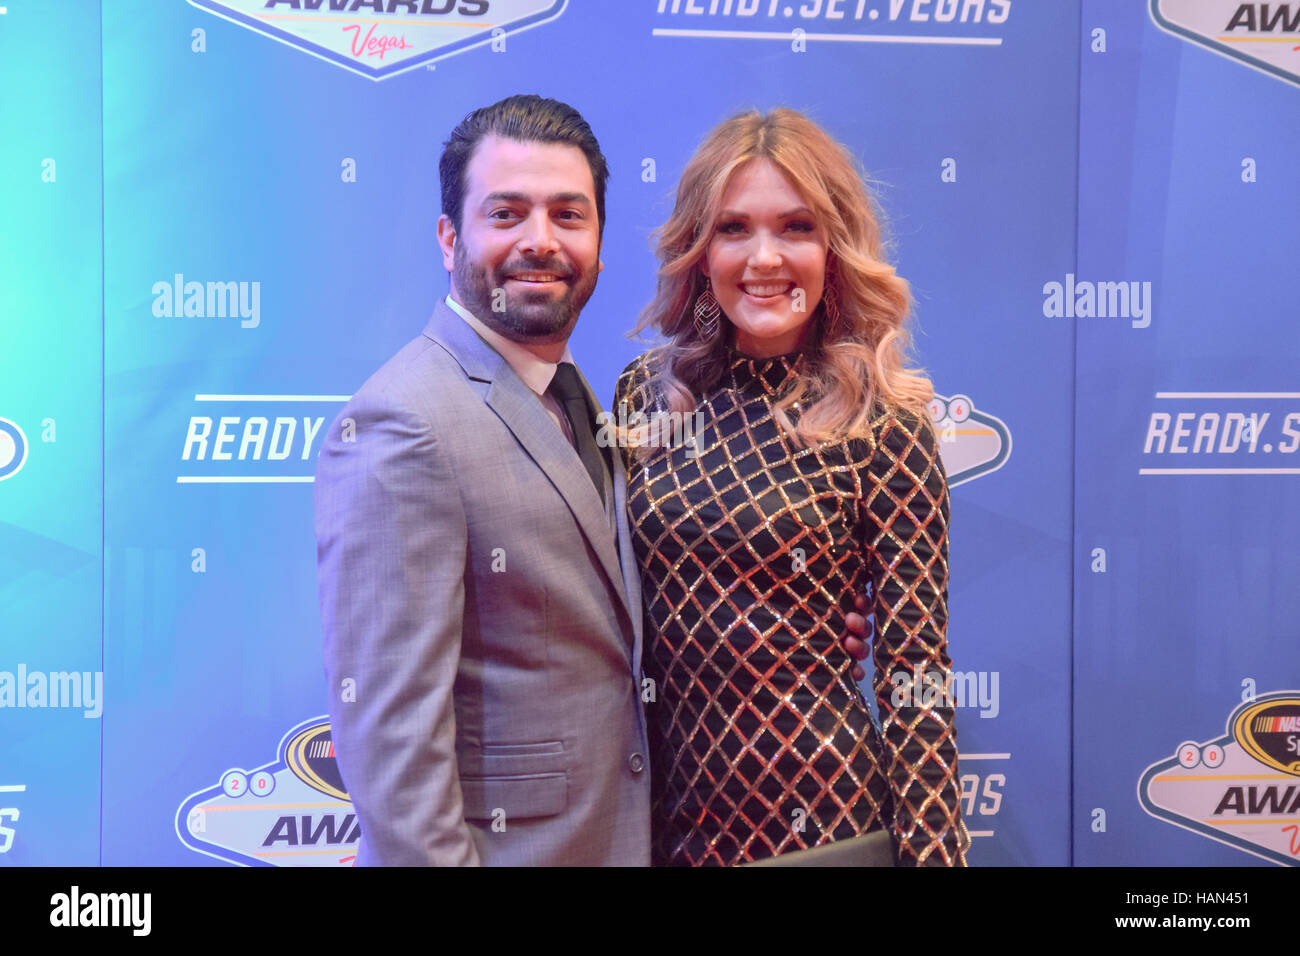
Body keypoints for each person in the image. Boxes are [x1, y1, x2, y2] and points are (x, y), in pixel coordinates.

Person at [315, 94, 875, 866]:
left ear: (600, 246)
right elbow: (391, 744)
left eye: (568, 216)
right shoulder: (403, 422)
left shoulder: (596, 399)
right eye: (506, 214)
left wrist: (796, 606)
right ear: (449, 238)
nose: (539, 242)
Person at [612, 108, 970, 866]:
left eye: (797, 228)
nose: (764, 258)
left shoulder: (885, 423)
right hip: (667, 826)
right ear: (699, 250)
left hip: (825, 824)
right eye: (734, 228)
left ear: (834, 249)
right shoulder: (646, 396)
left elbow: (916, 679)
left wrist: (936, 854)